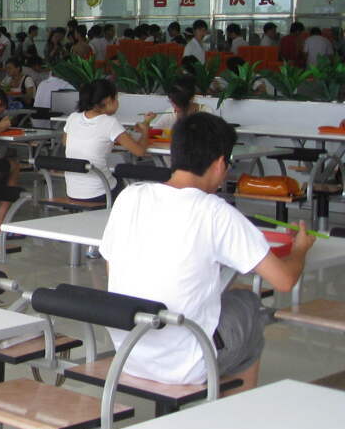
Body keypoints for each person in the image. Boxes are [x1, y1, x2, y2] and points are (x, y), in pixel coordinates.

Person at [101, 113, 313, 387]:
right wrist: (301, 249)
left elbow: (113, 266)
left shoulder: (131, 196)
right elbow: (284, 280)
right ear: (220, 164)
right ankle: (231, 415)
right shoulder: (215, 212)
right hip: (186, 360)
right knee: (250, 306)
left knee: (234, 296)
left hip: (130, 352)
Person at [63, 79, 150, 205]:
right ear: (108, 100)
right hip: (100, 192)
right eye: (117, 98)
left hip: (72, 191)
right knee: (131, 185)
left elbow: (66, 142)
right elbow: (140, 152)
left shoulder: (73, 117)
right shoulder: (110, 123)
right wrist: (145, 130)